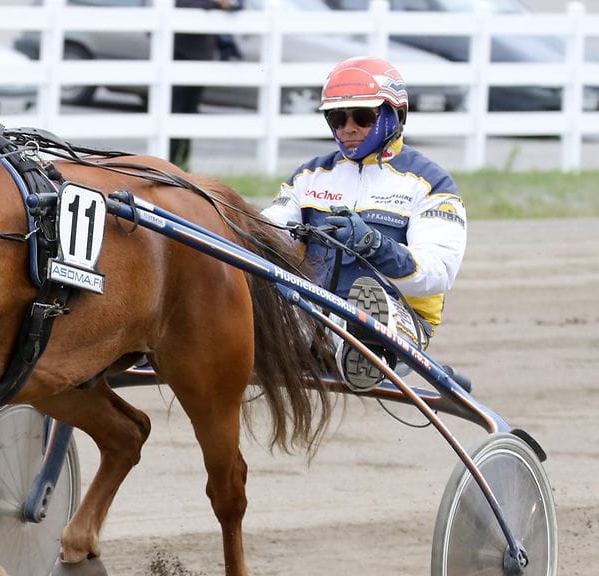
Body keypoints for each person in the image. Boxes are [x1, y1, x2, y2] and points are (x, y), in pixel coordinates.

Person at [261, 56, 468, 391]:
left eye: (363, 116)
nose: (348, 128)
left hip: (400, 317)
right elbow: (268, 231)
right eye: (337, 118)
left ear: (393, 114)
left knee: (367, 305)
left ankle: (362, 349)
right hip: (311, 311)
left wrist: (375, 245)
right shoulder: (308, 176)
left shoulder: (430, 183)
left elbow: (438, 273)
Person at [169, 0, 238, 169]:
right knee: (175, 112)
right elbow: (182, 7)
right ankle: (171, 161)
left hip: (200, 59)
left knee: (190, 112)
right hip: (179, 56)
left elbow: (237, 5)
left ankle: (182, 162)